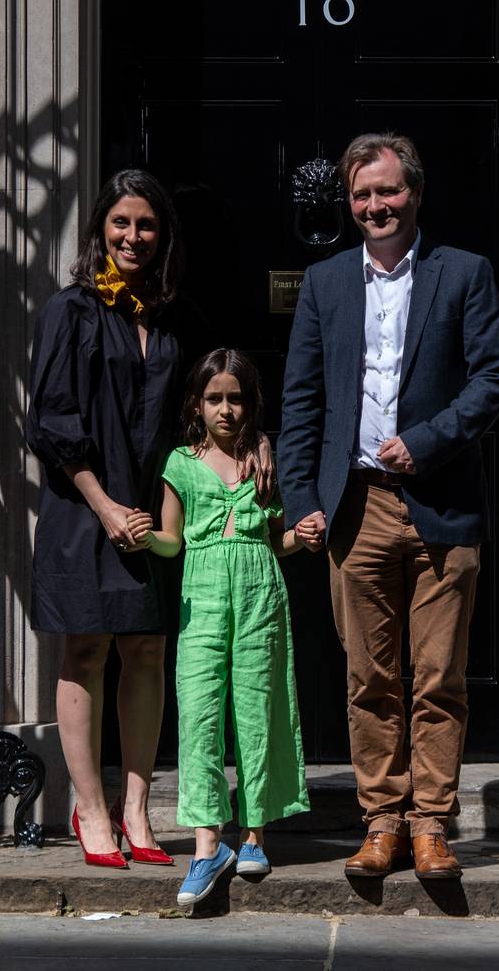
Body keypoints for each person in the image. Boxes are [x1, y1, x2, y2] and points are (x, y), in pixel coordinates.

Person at [278, 133, 499, 880]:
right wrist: (302, 500)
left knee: (440, 676)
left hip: (441, 503)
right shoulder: (325, 283)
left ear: (415, 193)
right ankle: (381, 822)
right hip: (357, 508)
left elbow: (494, 379)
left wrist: (429, 441)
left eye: (387, 192)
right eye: (361, 196)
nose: (375, 207)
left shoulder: (465, 274)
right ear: (348, 203)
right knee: (369, 679)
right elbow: (302, 401)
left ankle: (432, 826)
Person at [26, 170, 272, 869]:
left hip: (157, 508)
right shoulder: (68, 312)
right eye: (121, 223)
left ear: (163, 236)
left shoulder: (173, 316)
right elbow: (49, 421)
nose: (133, 237)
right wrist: (104, 506)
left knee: (145, 651)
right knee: (86, 651)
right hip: (85, 510)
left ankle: (138, 808)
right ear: (101, 229)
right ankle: (91, 809)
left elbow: (212, 402)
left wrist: (254, 440)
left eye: (147, 226)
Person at [145, 349, 321, 908]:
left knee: (257, 708)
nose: (226, 409)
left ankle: (253, 835)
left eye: (236, 398)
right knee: (198, 711)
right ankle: (205, 846)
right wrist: (147, 536)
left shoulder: (265, 462)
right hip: (202, 592)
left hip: (259, 589)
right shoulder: (179, 463)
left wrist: (304, 535)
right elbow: (173, 541)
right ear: (197, 403)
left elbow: (276, 540)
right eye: (215, 398)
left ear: (250, 404)